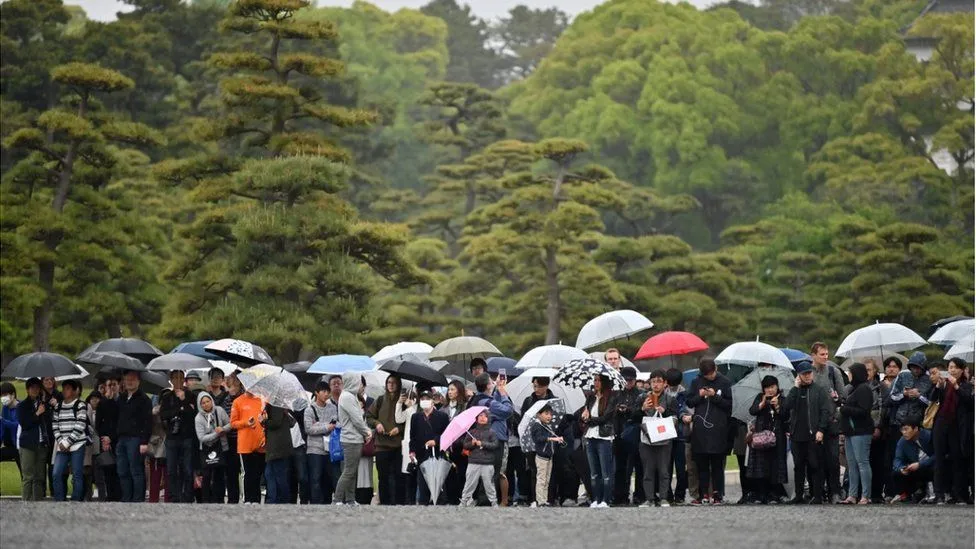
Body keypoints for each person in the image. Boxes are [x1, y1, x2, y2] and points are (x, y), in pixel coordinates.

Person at [684, 358, 732, 505]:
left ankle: (718, 494)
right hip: (701, 429)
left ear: (716, 369)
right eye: (707, 376)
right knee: (702, 464)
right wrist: (700, 396)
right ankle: (703, 494)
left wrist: (714, 396)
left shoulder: (724, 382)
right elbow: (689, 402)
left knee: (717, 464)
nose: (710, 377)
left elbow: (729, 405)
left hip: (719, 428)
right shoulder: (696, 382)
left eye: (711, 374)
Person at [783, 360, 831, 504]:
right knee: (798, 466)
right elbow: (786, 407)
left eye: (809, 373)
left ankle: (817, 495)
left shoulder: (818, 390)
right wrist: (795, 388)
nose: (808, 376)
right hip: (797, 434)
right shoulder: (795, 390)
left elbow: (825, 411)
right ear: (799, 375)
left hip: (813, 434)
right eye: (805, 374)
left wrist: (821, 429)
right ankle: (798, 495)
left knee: (815, 465)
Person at [929, 357, 973, 504]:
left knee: (957, 460)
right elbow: (932, 398)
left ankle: (959, 494)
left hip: (957, 426)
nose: (952, 370)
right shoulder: (944, 384)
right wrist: (938, 386)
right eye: (950, 367)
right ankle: (939, 494)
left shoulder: (966, 385)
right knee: (939, 459)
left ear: (961, 370)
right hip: (941, 423)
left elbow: (969, 402)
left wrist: (956, 387)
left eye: (955, 367)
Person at [467, 373, 514, 505]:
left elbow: (496, 404)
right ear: (488, 385)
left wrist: (498, 388)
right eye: (491, 381)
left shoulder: (481, 399)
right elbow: (508, 410)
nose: (494, 382)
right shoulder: (486, 402)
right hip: (494, 439)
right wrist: (503, 392)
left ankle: (484, 500)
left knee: (489, 471)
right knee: (492, 472)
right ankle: (485, 501)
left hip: (487, 438)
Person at [809, 342, 844, 503]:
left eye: (826, 354)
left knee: (833, 458)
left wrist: (837, 398)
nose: (825, 357)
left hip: (831, 420)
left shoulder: (832, 371)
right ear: (813, 355)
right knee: (816, 460)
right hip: (813, 422)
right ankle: (817, 492)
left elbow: (843, 396)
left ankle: (835, 491)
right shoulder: (807, 372)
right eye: (822, 354)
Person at [747, 375, 789, 505]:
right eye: (767, 387)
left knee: (776, 466)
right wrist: (762, 404)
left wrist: (777, 407)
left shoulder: (783, 399)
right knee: (761, 466)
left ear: (777, 387)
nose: (770, 390)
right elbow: (752, 411)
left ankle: (774, 494)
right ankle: (761, 494)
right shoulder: (760, 397)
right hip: (761, 438)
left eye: (772, 387)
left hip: (778, 438)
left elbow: (786, 416)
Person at [638, 370, 677, 507]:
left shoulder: (670, 399)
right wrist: (642, 408)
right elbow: (633, 417)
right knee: (647, 470)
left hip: (664, 439)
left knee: (663, 470)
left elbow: (675, 418)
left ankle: (664, 498)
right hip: (647, 439)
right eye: (653, 381)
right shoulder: (642, 397)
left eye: (659, 381)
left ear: (665, 383)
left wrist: (664, 412)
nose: (656, 384)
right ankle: (649, 498)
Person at [579, 373, 618, 508]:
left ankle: (606, 500)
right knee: (594, 472)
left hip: (604, 436)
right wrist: (584, 416)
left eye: (598, 380)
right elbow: (585, 414)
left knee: (605, 471)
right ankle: (596, 498)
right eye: (594, 380)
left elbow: (606, 417)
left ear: (604, 382)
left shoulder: (611, 397)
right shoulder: (590, 397)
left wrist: (589, 420)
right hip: (590, 435)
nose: (596, 383)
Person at [159, 370, 197, 503]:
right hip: (172, 437)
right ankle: (174, 496)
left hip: (187, 436)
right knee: (171, 469)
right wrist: (178, 410)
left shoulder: (190, 395)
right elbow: (163, 414)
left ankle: (187, 496)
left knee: (187, 469)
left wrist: (183, 400)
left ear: (184, 380)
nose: (178, 381)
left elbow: (193, 414)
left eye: (181, 378)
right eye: (175, 378)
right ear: (171, 380)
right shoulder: (167, 396)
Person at [334, 372, 372, 505]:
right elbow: (357, 419)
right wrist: (367, 432)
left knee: (352, 471)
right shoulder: (347, 397)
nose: (360, 385)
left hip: (354, 438)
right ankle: (337, 499)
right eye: (358, 381)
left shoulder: (350, 396)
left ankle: (350, 499)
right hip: (351, 439)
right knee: (349, 471)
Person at [367, 374, 406, 505]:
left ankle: (398, 504)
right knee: (382, 477)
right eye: (389, 382)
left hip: (398, 446)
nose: (391, 384)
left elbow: (409, 420)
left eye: (394, 382)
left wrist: (399, 429)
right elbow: (369, 416)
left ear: (399, 384)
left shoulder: (403, 401)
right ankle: (385, 503)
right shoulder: (379, 400)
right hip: (381, 445)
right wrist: (377, 424)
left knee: (398, 476)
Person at [115, 370, 152, 502]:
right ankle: (126, 498)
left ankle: (137, 499)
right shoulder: (121, 398)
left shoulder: (144, 399)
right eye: (127, 379)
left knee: (136, 470)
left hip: (136, 439)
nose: (130, 381)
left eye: (133, 379)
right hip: (121, 439)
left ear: (138, 381)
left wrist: (144, 442)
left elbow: (148, 422)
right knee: (122, 470)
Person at [840, 363, 874, 505]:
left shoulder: (864, 389)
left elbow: (864, 410)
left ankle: (866, 495)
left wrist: (844, 409)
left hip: (861, 432)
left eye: (851, 372)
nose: (849, 375)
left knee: (862, 462)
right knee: (852, 464)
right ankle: (852, 495)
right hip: (850, 432)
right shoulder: (854, 389)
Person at [409, 390, 450, 505]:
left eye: (427, 399)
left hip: (437, 455)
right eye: (422, 399)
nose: (425, 401)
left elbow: (446, 435)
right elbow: (413, 437)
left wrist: (436, 441)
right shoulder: (415, 417)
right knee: (423, 487)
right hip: (422, 455)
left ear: (433, 401)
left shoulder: (442, 416)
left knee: (439, 486)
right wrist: (412, 451)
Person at [52, 380, 89, 501]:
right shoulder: (58, 406)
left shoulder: (80, 405)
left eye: (68, 388)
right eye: (64, 388)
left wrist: (68, 442)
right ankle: (59, 499)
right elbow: (55, 425)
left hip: (77, 444)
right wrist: (61, 441)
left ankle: (76, 500)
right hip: (61, 445)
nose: (65, 391)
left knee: (77, 474)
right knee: (56, 473)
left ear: (74, 391)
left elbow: (80, 425)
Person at [614, 366, 645, 506]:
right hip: (619, 433)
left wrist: (628, 410)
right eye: (625, 380)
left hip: (635, 434)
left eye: (630, 380)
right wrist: (617, 410)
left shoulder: (641, 394)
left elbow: (642, 413)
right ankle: (621, 495)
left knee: (639, 466)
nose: (628, 382)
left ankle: (639, 494)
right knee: (620, 467)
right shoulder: (616, 394)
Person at [230, 387, 266, 504]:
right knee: (247, 473)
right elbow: (233, 423)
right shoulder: (237, 401)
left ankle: (256, 499)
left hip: (261, 443)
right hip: (245, 444)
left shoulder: (263, 400)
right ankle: (248, 499)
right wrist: (246, 423)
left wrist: (265, 437)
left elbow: (266, 420)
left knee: (258, 473)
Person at [305, 380, 337, 504]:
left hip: (329, 450)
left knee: (329, 479)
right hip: (314, 450)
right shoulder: (309, 410)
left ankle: (327, 503)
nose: (326, 394)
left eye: (327, 392)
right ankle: (315, 504)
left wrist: (319, 425)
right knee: (315, 479)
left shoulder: (332, 408)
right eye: (323, 391)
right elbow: (309, 429)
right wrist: (326, 427)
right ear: (316, 393)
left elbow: (335, 424)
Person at [194, 391, 229, 503]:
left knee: (220, 475)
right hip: (206, 449)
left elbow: (230, 424)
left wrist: (223, 429)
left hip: (221, 447)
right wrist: (216, 433)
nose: (206, 404)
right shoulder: (198, 418)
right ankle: (206, 500)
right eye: (203, 403)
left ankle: (219, 499)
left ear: (211, 400)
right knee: (207, 475)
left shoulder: (219, 410)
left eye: (207, 401)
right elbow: (201, 437)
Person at [17, 378, 48, 501]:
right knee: (28, 476)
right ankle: (25, 502)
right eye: (32, 388)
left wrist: (43, 408)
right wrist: (37, 414)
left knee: (39, 477)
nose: (35, 390)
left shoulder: (42, 404)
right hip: (28, 445)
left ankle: (37, 504)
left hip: (41, 444)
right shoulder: (22, 406)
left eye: (37, 388)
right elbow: (25, 424)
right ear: (27, 389)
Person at [460, 410, 499, 507]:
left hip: (488, 463)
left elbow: (495, 445)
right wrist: (472, 444)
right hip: (473, 461)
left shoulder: (492, 432)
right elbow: (465, 445)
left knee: (489, 484)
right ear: (476, 418)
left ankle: (494, 502)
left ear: (488, 418)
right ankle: (464, 501)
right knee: (469, 483)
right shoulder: (472, 432)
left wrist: (483, 444)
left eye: (485, 416)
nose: (482, 418)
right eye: (480, 416)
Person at [891, 417, 935, 503]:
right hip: (914, 468)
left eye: (906, 429)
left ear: (915, 429)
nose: (904, 432)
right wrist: (902, 468)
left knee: (936, 468)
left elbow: (938, 455)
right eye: (902, 430)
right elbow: (897, 459)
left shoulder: (929, 436)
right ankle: (905, 496)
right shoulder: (902, 441)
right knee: (896, 473)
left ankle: (937, 493)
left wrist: (920, 464)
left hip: (931, 466)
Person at [93, 373, 121, 501]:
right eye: (109, 385)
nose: (112, 387)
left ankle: (120, 496)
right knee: (108, 468)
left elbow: (121, 422)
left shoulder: (122, 401)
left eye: (114, 385)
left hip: (119, 439)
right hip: (106, 441)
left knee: (120, 470)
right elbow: (98, 423)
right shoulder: (103, 403)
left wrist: (112, 437)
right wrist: (104, 438)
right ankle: (111, 496)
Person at [664, 368, 690, 504]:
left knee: (681, 468)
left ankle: (680, 494)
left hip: (680, 435)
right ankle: (667, 493)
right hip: (666, 435)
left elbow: (686, 410)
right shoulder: (663, 393)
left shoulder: (685, 394)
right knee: (666, 467)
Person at [260, 403, 295, 504]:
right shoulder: (278, 405)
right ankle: (274, 498)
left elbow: (275, 422)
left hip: (277, 445)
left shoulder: (276, 405)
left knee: (278, 474)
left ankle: (281, 499)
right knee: (270, 473)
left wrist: (264, 421)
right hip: (276, 445)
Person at [529, 405, 563, 507]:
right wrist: (552, 439)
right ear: (539, 414)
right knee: (541, 479)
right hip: (541, 456)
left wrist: (558, 438)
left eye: (550, 414)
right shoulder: (536, 425)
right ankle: (540, 500)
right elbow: (539, 439)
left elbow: (550, 438)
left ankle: (544, 499)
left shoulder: (547, 426)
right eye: (546, 413)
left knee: (547, 480)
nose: (549, 416)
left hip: (549, 456)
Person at [218, 372, 242, 504]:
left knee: (243, 471)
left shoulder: (244, 397)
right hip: (230, 440)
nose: (231, 383)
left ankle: (245, 497)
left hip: (242, 438)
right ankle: (233, 499)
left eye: (233, 381)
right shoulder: (226, 399)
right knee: (231, 471)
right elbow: (224, 417)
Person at [443, 380, 468, 504]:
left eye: (452, 389)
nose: (450, 392)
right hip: (447, 445)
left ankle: (463, 497)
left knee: (462, 473)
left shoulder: (465, 407)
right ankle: (451, 499)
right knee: (449, 473)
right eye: (449, 390)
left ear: (459, 390)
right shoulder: (444, 409)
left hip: (461, 445)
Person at [0, 382, 21, 488]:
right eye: (2, 395)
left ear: (13, 395)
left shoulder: (21, 407)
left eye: (5, 395)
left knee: (24, 470)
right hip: (10, 446)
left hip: (20, 446)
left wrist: (3, 421)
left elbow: (18, 425)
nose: (3, 398)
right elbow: (2, 429)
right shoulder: (5, 408)